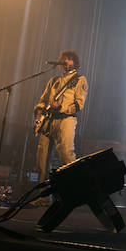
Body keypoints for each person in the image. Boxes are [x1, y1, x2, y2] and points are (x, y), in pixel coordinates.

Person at [34, 50, 88, 181]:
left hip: (66, 120)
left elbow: (79, 104)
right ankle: (43, 198)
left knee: (66, 155)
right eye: (64, 59)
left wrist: (61, 107)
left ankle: (73, 191)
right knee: (42, 159)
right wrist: (39, 112)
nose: (66, 61)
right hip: (48, 121)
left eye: (69, 59)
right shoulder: (54, 80)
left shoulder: (79, 80)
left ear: (75, 62)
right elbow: (43, 100)